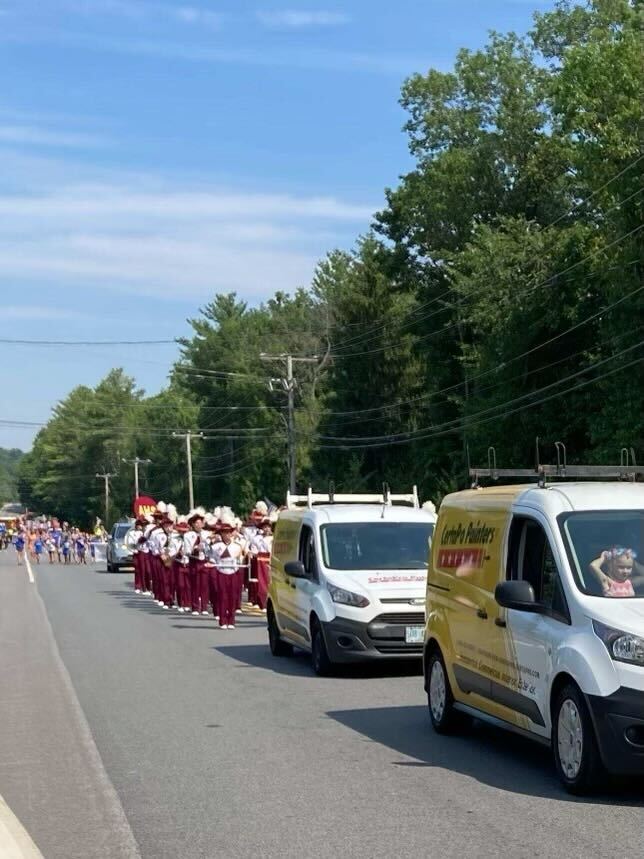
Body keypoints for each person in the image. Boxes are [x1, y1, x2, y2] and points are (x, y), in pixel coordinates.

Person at [210, 512, 246, 629]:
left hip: (233, 573)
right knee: (222, 596)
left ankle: (231, 620)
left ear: (231, 534)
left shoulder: (237, 546)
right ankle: (223, 620)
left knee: (232, 597)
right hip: (221, 572)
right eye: (224, 533)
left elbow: (240, 560)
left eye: (228, 533)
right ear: (221, 534)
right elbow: (212, 559)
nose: (227, 535)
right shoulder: (216, 547)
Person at [184, 508, 208, 616]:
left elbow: (211, 548)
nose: (199, 525)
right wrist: (195, 548)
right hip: (194, 561)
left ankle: (204, 607)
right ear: (193, 524)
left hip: (204, 561)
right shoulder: (188, 535)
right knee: (195, 584)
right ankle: (195, 607)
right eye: (196, 523)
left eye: (200, 523)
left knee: (204, 585)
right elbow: (187, 550)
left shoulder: (207, 534)